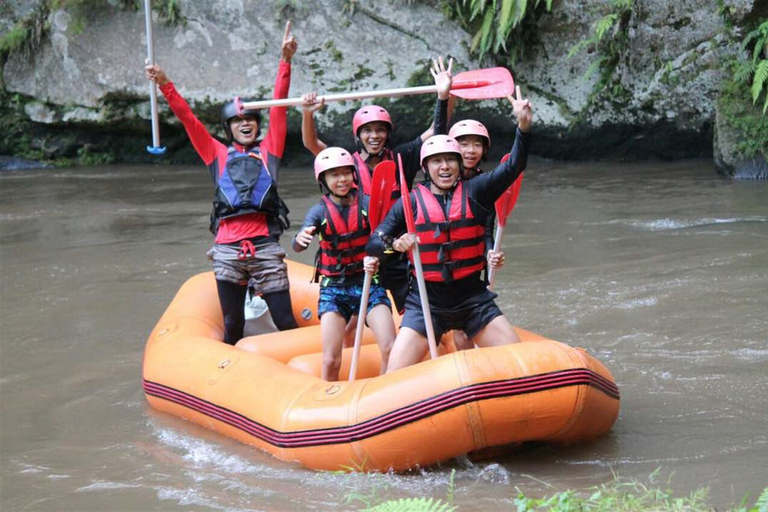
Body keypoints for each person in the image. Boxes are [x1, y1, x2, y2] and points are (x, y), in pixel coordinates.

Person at [144, 21, 299, 345]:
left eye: (250, 120)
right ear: (229, 128)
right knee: (232, 325)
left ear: (258, 125)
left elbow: (280, 107)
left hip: (265, 248)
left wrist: (285, 61)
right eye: (238, 121)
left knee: (285, 319)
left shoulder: (270, 150)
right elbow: (188, 118)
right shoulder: (215, 153)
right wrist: (165, 84)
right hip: (227, 250)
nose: (245, 125)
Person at [365, 86, 533, 372]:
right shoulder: (410, 202)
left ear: (459, 164)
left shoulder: (478, 189)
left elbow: (514, 166)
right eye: (437, 161)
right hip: (426, 303)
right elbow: (374, 242)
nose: (445, 167)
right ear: (426, 167)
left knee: (519, 364)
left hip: (473, 299)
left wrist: (523, 127)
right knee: (393, 373)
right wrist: (396, 244)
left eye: (450, 160)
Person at [300, 57, 454, 315]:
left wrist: (445, 95)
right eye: (368, 130)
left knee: (411, 306)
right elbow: (312, 145)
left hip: (398, 248)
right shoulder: (345, 164)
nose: (374, 136)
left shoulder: (403, 157)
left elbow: (436, 132)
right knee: (354, 315)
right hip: (363, 252)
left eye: (380, 130)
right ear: (358, 135)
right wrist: (307, 114)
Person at [292, 147, 396, 381]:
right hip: (334, 290)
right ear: (324, 180)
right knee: (330, 359)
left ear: (353, 175)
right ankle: (329, 401)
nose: (342, 180)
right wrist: (299, 238)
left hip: (369, 284)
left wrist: (380, 254)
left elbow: (386, 241)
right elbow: (298, 245)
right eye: (334, 175)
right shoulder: (318, 212)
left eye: (345, 173)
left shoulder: (368, 204)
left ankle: (380, 392)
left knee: (390, 347)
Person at [448, 118, 513, 350]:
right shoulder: (440, 180)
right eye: (464, 144)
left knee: (468, 328)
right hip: (445, 264)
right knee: (460, 331)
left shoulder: (485, 183)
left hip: (472, 261)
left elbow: (486, 228)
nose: (470, 151)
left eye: (477, 145)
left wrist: (490, 253)